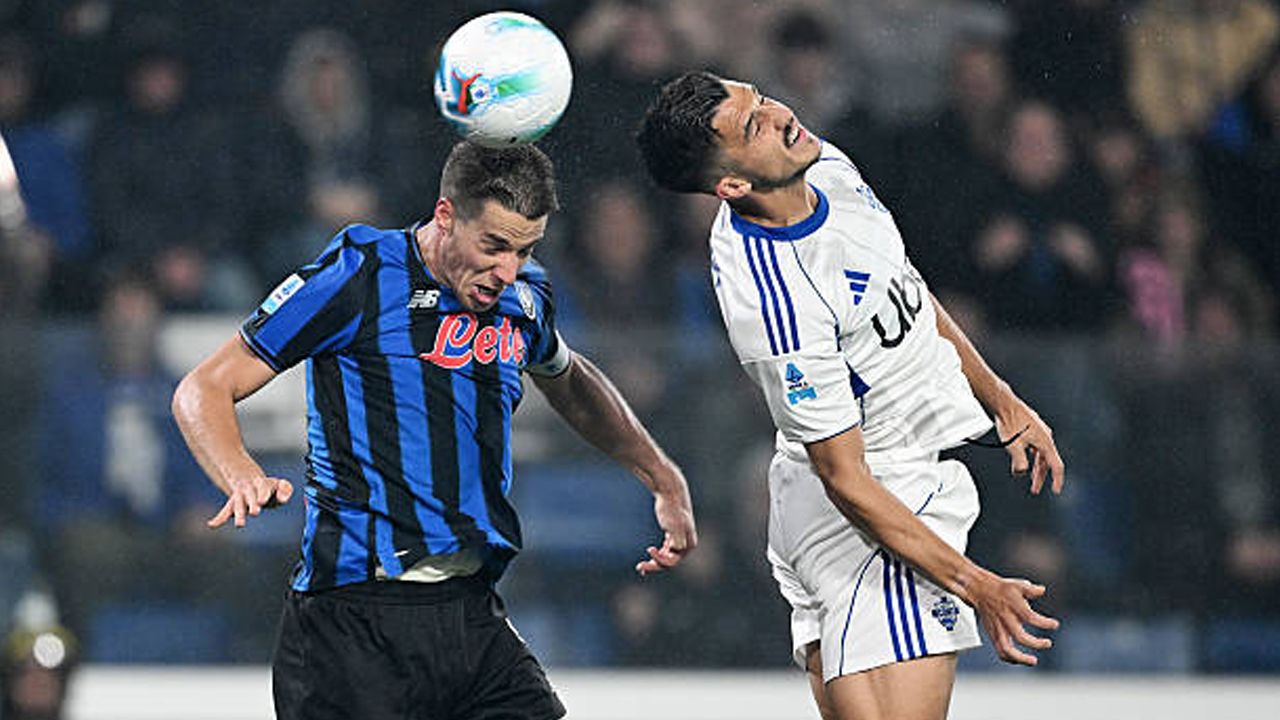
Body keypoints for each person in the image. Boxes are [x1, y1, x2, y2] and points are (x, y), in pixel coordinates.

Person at [171, 141, 697, 720]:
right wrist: (240, 472)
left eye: (525, 250)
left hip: (472, 615)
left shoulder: (526, 293)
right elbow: (203, 388)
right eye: (493, 245)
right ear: (445, 216)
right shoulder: (360, 273)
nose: (506, 270)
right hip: (352, 626)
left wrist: (661, 476)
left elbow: (570, 379)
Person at [636, 71, 1064, 720]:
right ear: (731, 186)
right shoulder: (776, 300)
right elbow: (845, 476)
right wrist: (979, 586)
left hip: (862, 487)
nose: (780, 114)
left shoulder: (818, 161)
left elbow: (902, 283)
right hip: (875, 504)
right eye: (754, 126)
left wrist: (1002, 401)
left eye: (761, 98)